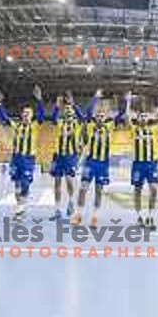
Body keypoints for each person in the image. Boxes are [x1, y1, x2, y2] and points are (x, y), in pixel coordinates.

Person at [70, 90, 125, 228]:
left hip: (103, 164)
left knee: (99, 191)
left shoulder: (110, 126)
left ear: (105, 117)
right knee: (83, 189)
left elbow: (121, 113)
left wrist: (126, 100)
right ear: (96, 117)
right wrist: (95, 98)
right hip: (90, 162)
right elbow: (88, 113)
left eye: (102, 116)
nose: (100, 118)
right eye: (98, 116)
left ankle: (95, 216)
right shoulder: (90, 126)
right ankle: (78, 214)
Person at [0, 85, 45, 219]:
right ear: (21, 115)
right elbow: (3, 117)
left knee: (25, 183)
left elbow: (41, 114)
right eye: (24, 112)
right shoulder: (17, 125)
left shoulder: (35, 125)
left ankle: (20, 208)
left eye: (28, 113)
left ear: (31, 115)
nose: (25, 114)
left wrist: (39, 100)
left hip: (28, 159)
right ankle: (20, 209)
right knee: (16, 184)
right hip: (16, 158)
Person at [122, 92, 158, 230]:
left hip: (151, 164)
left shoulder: (153, 129)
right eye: (141, 116)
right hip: (138, 164)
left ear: (148, 119)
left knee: (154, 189)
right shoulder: (134, 130)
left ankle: (150, 216)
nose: (143, 118)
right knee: (137, 190)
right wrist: (128, 102)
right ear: (138, 118)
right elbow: (127, 117)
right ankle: (139, 217)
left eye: (145, 116)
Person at [48, 92, 88, 222]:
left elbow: (83, 118)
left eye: (70, 112)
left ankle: (71, 202)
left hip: (70, 156)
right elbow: (53, 118)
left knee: (69, 180)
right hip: (58, 156)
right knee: (57, 183)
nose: (68, 113)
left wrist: (73, 103)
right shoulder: (60, 122)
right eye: (66, 111)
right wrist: (57, 106)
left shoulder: (77, 124)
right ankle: (57, 210)